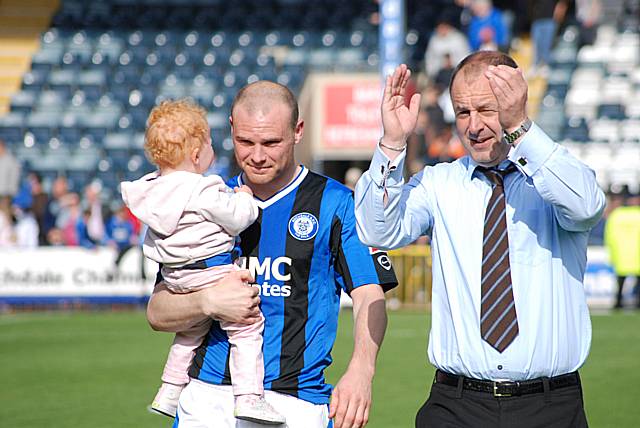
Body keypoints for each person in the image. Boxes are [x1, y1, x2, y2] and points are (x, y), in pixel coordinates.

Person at [354, 52, 605, 427]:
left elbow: (586, 206)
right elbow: (377, 230)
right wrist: (391, 144)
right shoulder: (438, 184)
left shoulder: (554, 176)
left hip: (550, 407)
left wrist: (520, 126)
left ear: (514, 101)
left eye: (487, 109)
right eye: (463, 112)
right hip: (456, 406)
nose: (473, 126)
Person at [146, 81, 397, 428]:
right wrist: (207, 302)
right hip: (208, 399)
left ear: (298, 131)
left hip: (296, 403)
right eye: (245, 142)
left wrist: (361, 370)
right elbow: (158, 311)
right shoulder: (204, 200)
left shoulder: (337, 203)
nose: (258, 155)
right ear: (231, 129)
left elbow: (370, 292)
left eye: (271, 142)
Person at [121, 100, 284, 424]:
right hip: (212, 269)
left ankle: (169, 390)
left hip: (176, 277)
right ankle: (250, 397)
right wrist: (244, 198)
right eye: (209, 142)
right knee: (247, 326)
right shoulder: (203, 188)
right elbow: (239, 219)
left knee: (190, 332)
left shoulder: (150, 191)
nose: (213, 148)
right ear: (196, 154)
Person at [604, 192, 640, 309]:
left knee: (620, 282)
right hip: (637, 255)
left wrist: (612, 253)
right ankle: (637, 303)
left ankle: (618, 303)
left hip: (622, 255)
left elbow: (609, 236)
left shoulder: (616, 215)